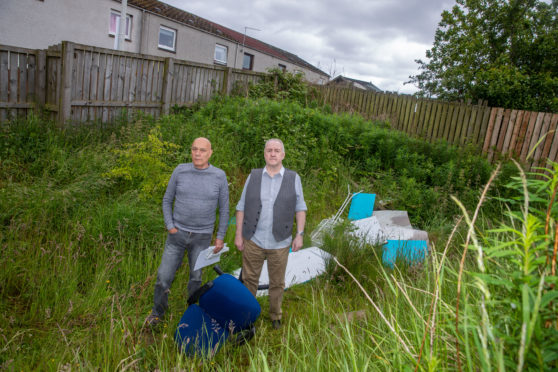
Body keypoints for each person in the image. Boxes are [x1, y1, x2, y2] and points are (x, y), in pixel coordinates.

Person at [145, 137, 229, 327]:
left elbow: (224, 210)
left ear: (210, 153)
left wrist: (220, 237)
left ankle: (190, 316)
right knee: (163, 278)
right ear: (191, 151)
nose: (198, 153)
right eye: (194, 149)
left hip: (202, 237)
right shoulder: (180, 171)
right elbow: (167, 200)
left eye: (202, 150)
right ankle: (157, 314)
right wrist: (170, 226)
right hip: (177, 235)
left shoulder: (219, 176)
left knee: (195, 279)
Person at [234, 138, 307, 330]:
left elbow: (300, 208)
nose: (272, 154)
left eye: (276, 150)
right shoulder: (254, 175)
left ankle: (275, 315)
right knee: (249, 280)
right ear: (264, 154)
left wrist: (299, 234)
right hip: (253, 239)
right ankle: (248, 316)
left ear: (283, 155)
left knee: (277, 282)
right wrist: (238, 234)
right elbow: (241, 206)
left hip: (280, 241)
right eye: (269, 150)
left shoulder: (293, 178)